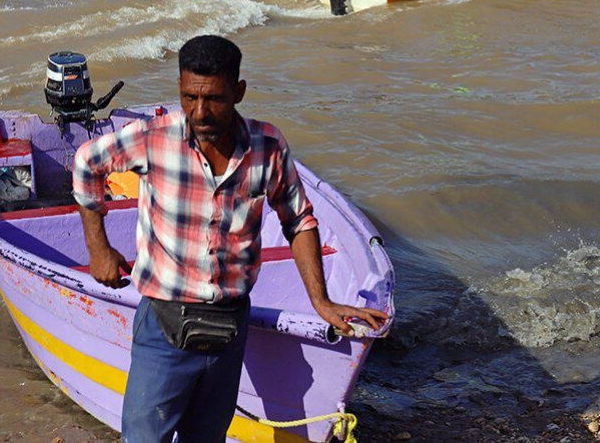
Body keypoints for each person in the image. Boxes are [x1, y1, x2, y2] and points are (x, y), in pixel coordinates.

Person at [73, 35, 388, 442]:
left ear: (238, 91)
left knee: (206, 437)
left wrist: (321, 302)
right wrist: (99, 249)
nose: (200, 112)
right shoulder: (152, 138)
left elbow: (299, 222)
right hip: (164, 325)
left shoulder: (267, 146)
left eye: (215, 99)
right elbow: (87, 163)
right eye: (189, 97)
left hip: (230, 325)